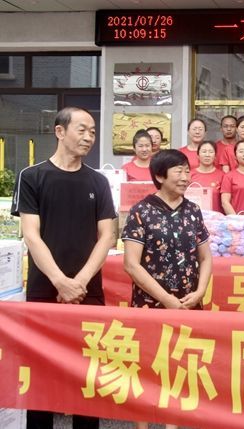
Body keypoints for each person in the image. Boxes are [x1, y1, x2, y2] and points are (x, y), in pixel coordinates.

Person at [11, 106, 116, 429]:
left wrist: (79, 282)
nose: (89, 137)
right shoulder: (32, 177)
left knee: (87, 377)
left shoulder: (98, 181)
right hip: (44, 292)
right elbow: (31, 235)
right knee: (41, 375)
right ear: (60, 131)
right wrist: (60, 281)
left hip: (88, 292)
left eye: (93, 132)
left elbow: (107, 235)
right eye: (82, 130)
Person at [122, 149, 211, 429]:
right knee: (145, 368)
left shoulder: (193, 211)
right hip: (150, 306)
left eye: (187, 171)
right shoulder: (141, 211)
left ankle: (172, 424)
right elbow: (131, 264)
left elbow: (205, 258)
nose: (186, 177)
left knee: (180, 366)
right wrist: (166, 299)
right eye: (179, 171)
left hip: (188, 304)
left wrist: (200, 292)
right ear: (160, 176)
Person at [191, 140, 225, 213]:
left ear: (215, 156)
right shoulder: (189, 175)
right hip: (194, 216)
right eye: (204, 151)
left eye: (211, 152)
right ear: (198, 155)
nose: (207, 155)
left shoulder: (223, 176)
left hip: (216, 217)